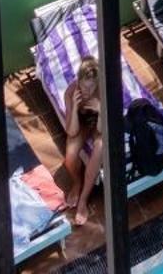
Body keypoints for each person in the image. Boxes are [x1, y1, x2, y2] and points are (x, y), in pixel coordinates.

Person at [62, 55, 103, 225]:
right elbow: (71, 131)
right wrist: (74, 103)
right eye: (83, 86)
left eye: (91, 86)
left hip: (99, 125)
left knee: (100, 146)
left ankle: (83, 200)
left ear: (97, 83)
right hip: (82, 124)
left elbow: (102, 130)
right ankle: (77, 182)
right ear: (78, 81)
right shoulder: (71, 92)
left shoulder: (102, 92)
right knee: (70, 156)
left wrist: (101, 110)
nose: (87, 91)